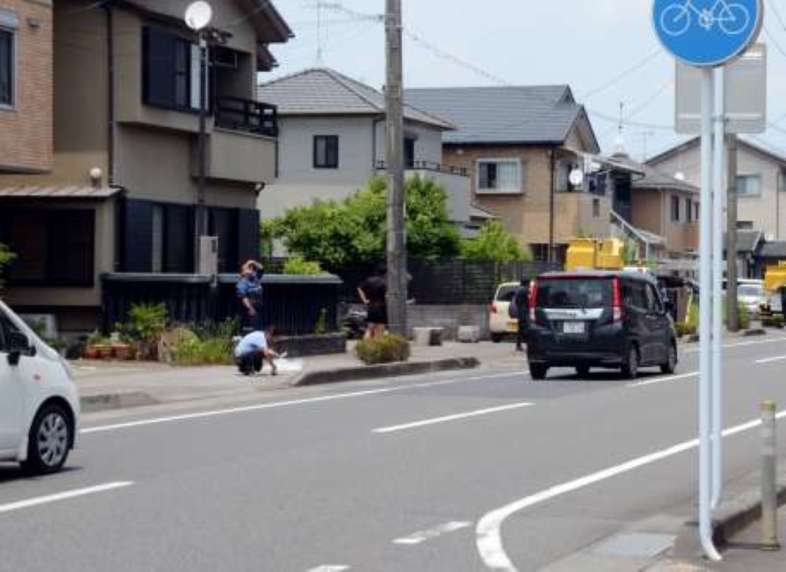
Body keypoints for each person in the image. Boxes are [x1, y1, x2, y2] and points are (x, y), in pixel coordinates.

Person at [358, 266, 387, 340]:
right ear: (386, 273)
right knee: (380, 330)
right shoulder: (385, 282)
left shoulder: (369, 280)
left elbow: (359, 288)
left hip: (371, 306)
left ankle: (364, 347)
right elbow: (387, 295)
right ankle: (377, 348)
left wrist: (364, 300)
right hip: (381, 307)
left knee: (369, 329)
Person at [237, 260, 264, 333]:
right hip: (249, 310)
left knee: (259, 329)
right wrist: (250, 308)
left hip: (259, 308)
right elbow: (243, 297)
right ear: (245, 272)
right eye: (250, 269)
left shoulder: (256, 279)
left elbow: (261, 269)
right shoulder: (243, 282)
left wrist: (253, 262)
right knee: (252, 330)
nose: (253, 271)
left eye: (254, 269)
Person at [513, 277, 530, 352]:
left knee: (520, 330)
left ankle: (518, 345)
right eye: (528, 284)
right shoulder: (525, 290)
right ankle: (529, 345)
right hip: (524, 313)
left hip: (520, 312)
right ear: (526, 283)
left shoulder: (518, 290)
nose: (529, 285)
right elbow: (528, 301)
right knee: (526, 329)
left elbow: (516, 301)